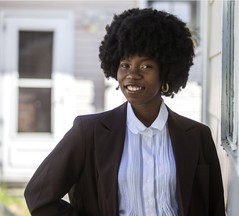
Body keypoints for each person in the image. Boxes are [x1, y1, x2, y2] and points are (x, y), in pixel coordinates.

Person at [24, 8, 225, 216]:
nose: (132, 75)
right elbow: (39, 196)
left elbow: (214, 208)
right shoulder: (88, 132)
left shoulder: (197, 136)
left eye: (146, 66)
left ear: (166, 71)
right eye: (125, 65)